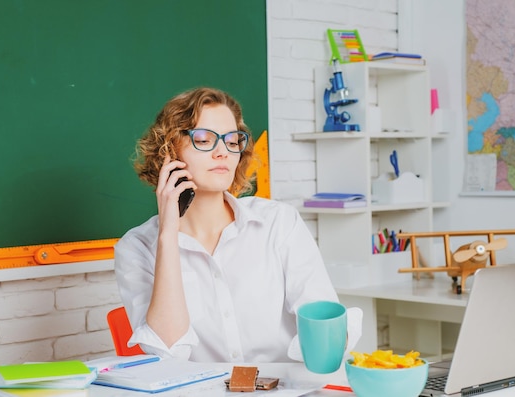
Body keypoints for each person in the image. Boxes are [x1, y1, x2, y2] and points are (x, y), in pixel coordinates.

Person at [114, 87, 362, 363]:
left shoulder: (278, 223)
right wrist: (168, 235)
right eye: (204, 140)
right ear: (169, 151)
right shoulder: (136, 248)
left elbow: (324, 326)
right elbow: (168, 352)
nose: (223, 152)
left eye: (232, 141)